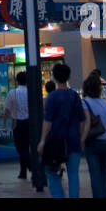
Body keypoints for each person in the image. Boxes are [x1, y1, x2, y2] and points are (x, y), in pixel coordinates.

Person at [36, 63, 83, 198]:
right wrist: (80, 138)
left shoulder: (52, 97)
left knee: (51, 171)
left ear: (55, 77)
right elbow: (81, 120)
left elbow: (48, 121)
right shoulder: (75, 96)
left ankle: (59, 195)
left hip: (56, 141)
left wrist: (43, 140)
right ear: (68, 76)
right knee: (73, 173)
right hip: (73, 140)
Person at [80, 73, 106, 198]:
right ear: (99, 89)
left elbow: (86, 123)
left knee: (94, 174)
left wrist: (81, 140)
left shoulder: (84, 103)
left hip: (91, 143)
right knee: (104, 173)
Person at [3, 70, 32, 181]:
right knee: (27, 147)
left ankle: (31, 168)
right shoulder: (31, 91)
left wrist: (5, 122)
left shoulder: (12, 93)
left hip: (17, 124)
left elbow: (6, 110)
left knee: (20, 148)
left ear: (17, 81)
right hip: (30, 123)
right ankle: (23, 172)